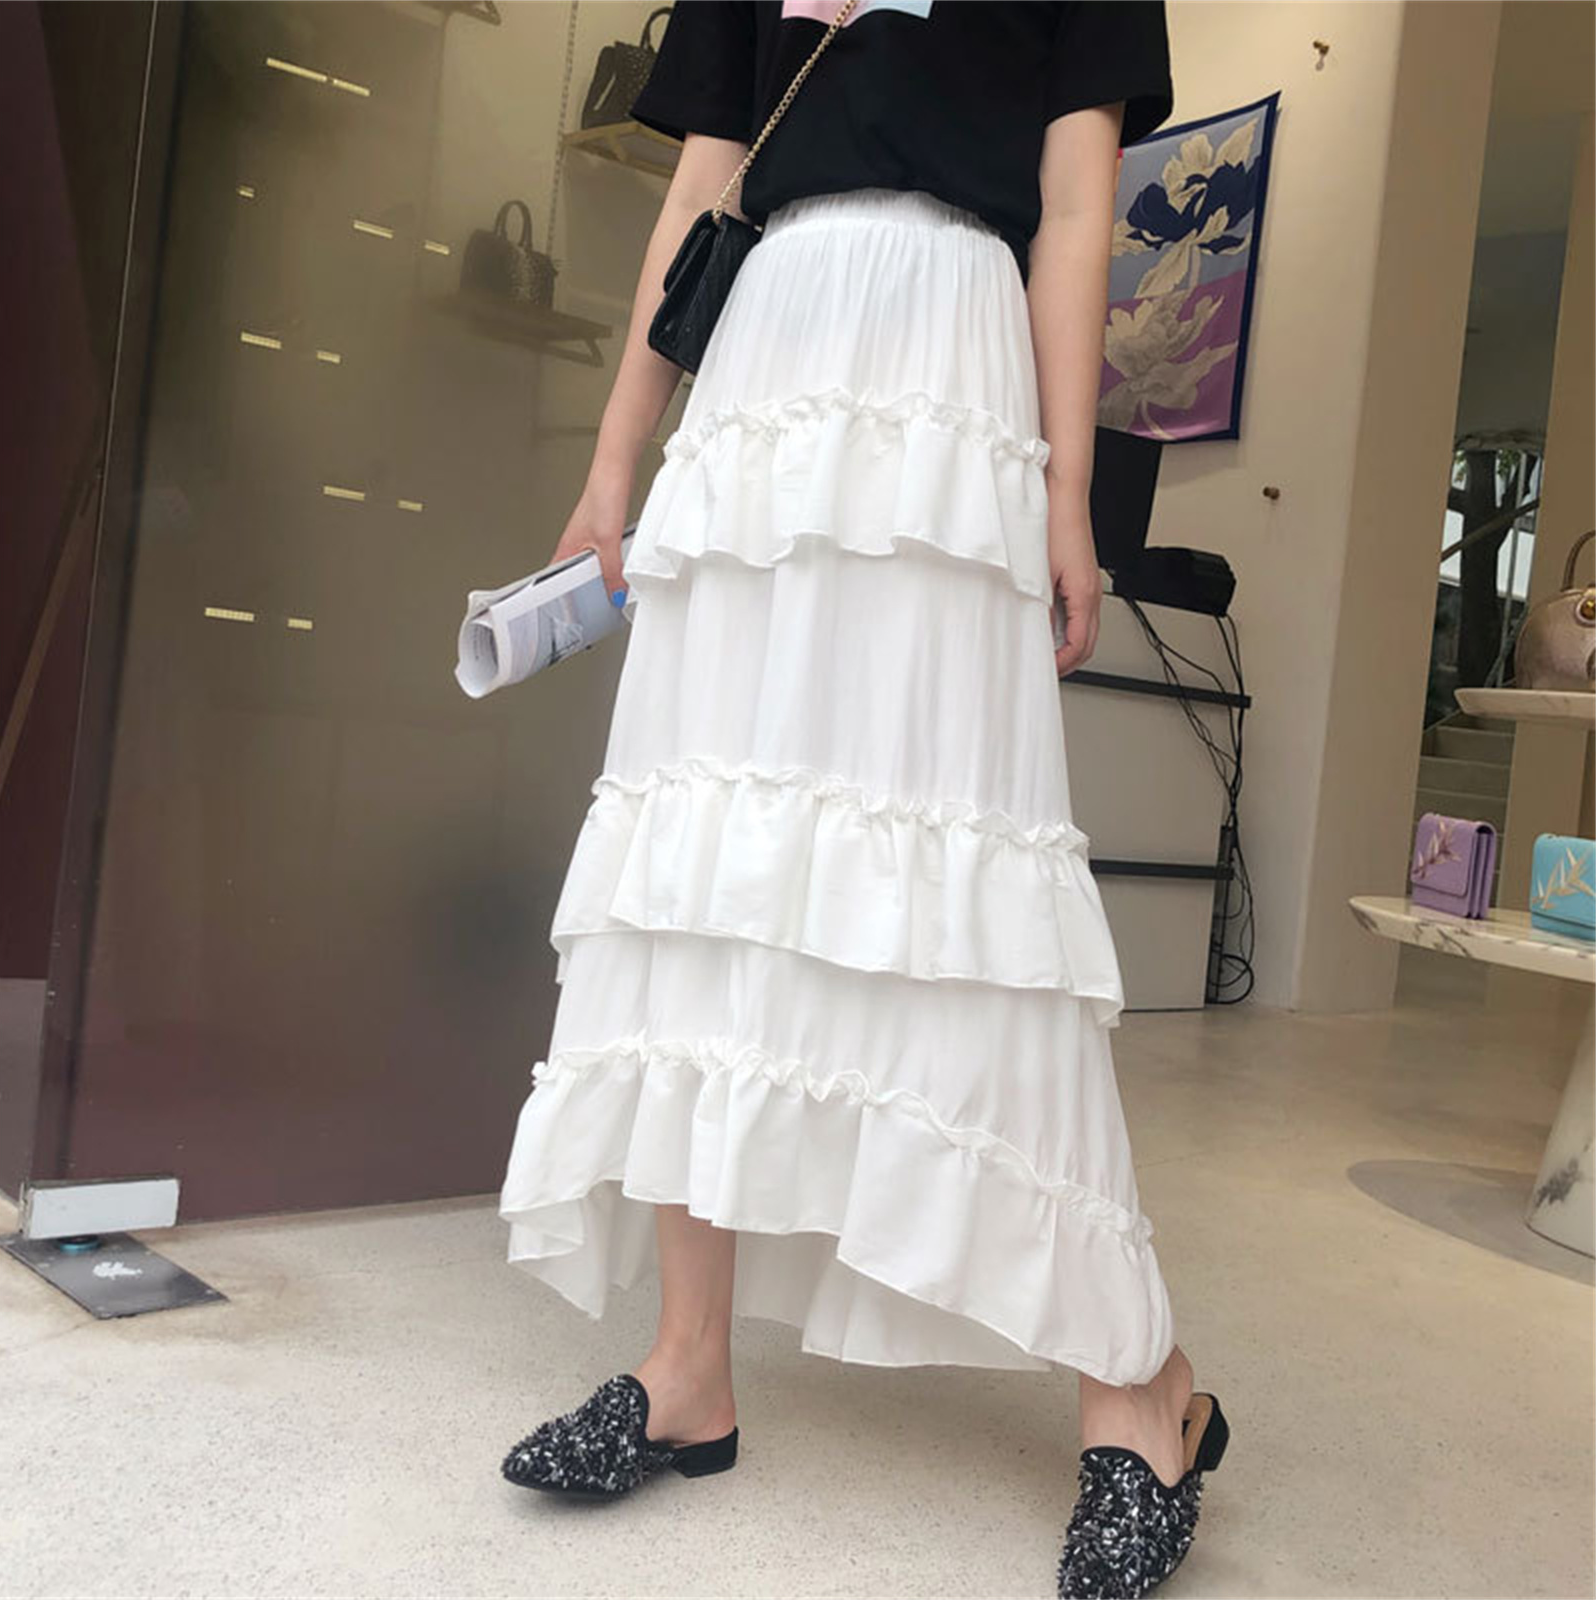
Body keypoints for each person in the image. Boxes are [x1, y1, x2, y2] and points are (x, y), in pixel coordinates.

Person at [496, 3, 1229, 1595]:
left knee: (957, 861)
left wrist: (1067, 492)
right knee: (711, 862)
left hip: (949, 371)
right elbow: (706, 184)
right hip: (760, 385)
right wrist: (617, 461)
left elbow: (1079, 202)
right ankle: (689, 1366)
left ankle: (1138, 1385)